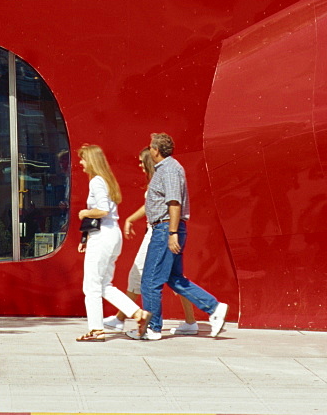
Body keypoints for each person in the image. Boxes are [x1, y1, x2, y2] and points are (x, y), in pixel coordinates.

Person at [129, 132, 228, 341]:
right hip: (166, 228)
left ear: (156, 150)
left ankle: (153, 328)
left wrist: (172, 233)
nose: (149, 150)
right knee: (174, 279)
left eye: (150, 147)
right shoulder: (168, 169)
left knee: (150, 281)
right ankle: (214, 308)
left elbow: (174, 202)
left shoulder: (169, 170)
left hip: (165, 229)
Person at [103, 147, 199, 335]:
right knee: (172, 278)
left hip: (157, 233)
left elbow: (171, 205)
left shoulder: (162, 176)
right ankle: (190, 321)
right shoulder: (160, 177)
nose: (139, 165)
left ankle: (131, 321)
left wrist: (172, 232)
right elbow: (150, 206)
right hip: (158, 231)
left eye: (141, 161)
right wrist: (131, 219)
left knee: (139, 276)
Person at [76, 143, 151, 342]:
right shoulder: (107, 181)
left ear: (91, 160)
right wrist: (85, 237)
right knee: (104, 285)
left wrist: (84, 213)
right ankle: (136, 313)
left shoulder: (96, 182)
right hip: (112, 235)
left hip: (101, 237)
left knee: (91, 286)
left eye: (83, 159)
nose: (81, 163)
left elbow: (102, 210)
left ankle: (96, 329)